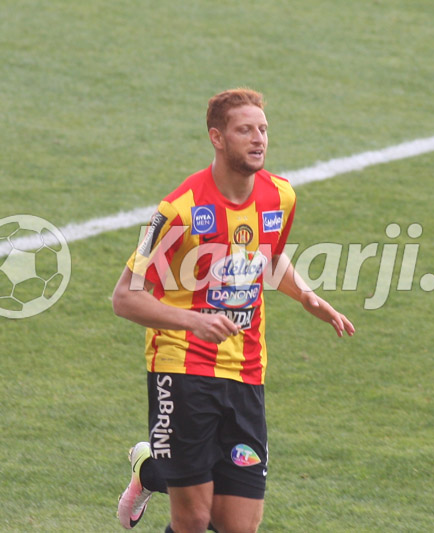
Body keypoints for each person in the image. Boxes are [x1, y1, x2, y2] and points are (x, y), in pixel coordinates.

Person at [112, 88, 355, 533]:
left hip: (246, 372)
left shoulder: (280, 197)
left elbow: (271, 257)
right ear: (217, 138)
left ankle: (150, 469)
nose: (258, 139)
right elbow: (125, 297)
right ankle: (154, 469)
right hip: (182, 370)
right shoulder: (178, 210)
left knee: (236, 526)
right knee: (193, 520)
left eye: (263, 129)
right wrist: (194, 320)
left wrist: (305, 295)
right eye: (245, 130)